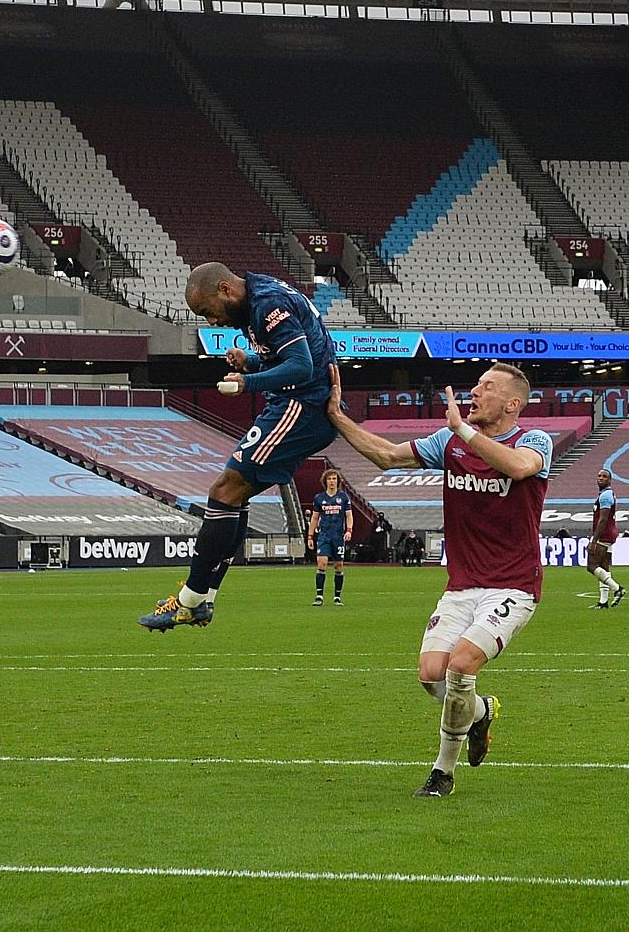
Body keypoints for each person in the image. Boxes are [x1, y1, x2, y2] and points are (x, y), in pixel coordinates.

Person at [327, 363, 552, 798]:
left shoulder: (532, 440)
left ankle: (442, 773)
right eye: (476, 384)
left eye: (486, 387)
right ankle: (482, 712)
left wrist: (465, 433)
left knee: (461, 665)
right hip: (462, 584)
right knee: (432, 675)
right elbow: (388, 456)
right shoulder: (449, 440)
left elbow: (521, 468)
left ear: (512, 404)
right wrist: (338, 416)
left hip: (513, 585)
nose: (474, 392)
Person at [139, 263, 338, 632]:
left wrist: (249, 381)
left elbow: (301, 365)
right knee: (233, 495)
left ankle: (190, 602)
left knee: (224, 489)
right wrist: (254, 360)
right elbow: (290, 353)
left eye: (208, 311)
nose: (211, 322)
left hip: (304, 405)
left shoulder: (267, 303)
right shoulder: (256, 301)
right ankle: (203, 599)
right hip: (298, 403)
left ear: (226, 290)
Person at [307, 468, 353, 607]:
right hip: (324, 536)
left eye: (334, 479)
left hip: (338, 536)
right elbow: (315, 518)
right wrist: (310, 536)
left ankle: (337, 597)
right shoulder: (319, 498)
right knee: (322, 563)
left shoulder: (343, 498)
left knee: (338, 566)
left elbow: (349, 515)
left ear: (337, 481)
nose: (332, 481)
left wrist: (349, 530)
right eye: (329, 479)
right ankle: (319, 596)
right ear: (325, 481)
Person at [587, 468, 625, 609]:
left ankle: (617, 589)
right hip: (610, 533)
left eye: (604, 476)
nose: (600, 478)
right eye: (599, 476)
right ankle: (603, 602)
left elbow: (603, 519)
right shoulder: (606, 494)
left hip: (604, 534)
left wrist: (594, 540)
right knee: (604, 566)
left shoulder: (605, 496)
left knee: (591, 565)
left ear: (610, 480)